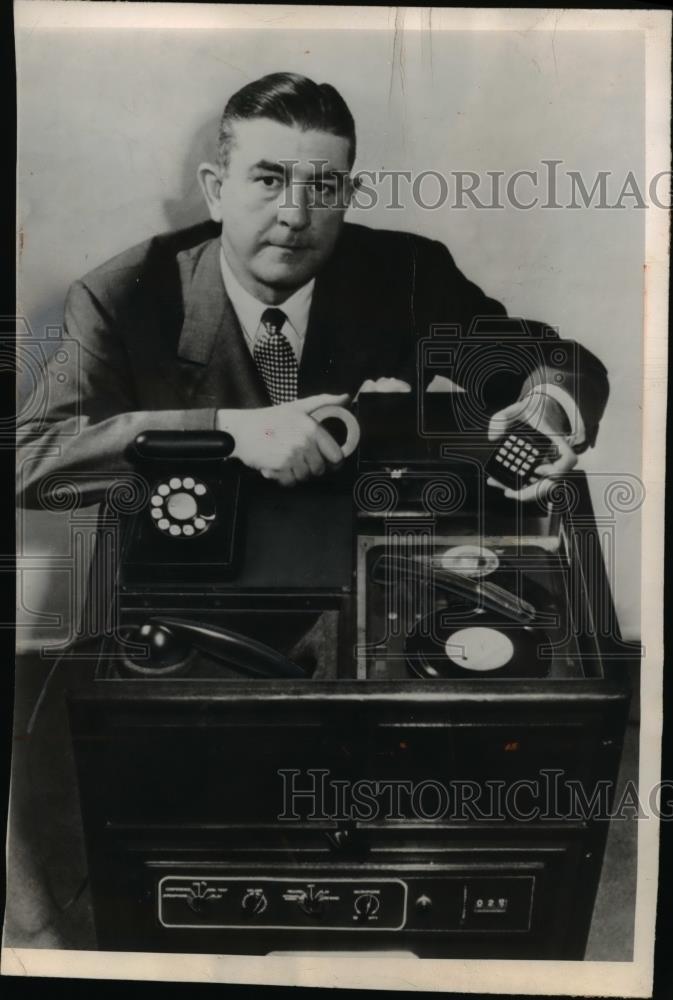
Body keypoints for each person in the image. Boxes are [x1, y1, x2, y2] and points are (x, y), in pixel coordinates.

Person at [17, 71, 608, 506]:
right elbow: (30, 460)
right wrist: (229, 431)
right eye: (269, 180)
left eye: (324, 187)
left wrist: (547, 406)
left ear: (348, 196)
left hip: (361, 572)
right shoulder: (123, 295)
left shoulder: (405, 272)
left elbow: (554, 361)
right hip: (187, 588)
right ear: (216, 190)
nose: (296, 215)